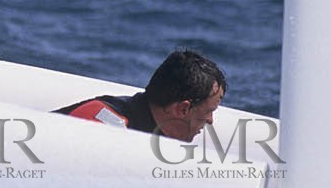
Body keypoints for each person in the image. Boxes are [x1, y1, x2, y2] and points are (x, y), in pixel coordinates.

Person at [56, 49, 225, 141]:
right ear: (183, 109)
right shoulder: (101, 121)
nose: (210, 120)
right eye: (208, 111)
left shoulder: (152, 132)